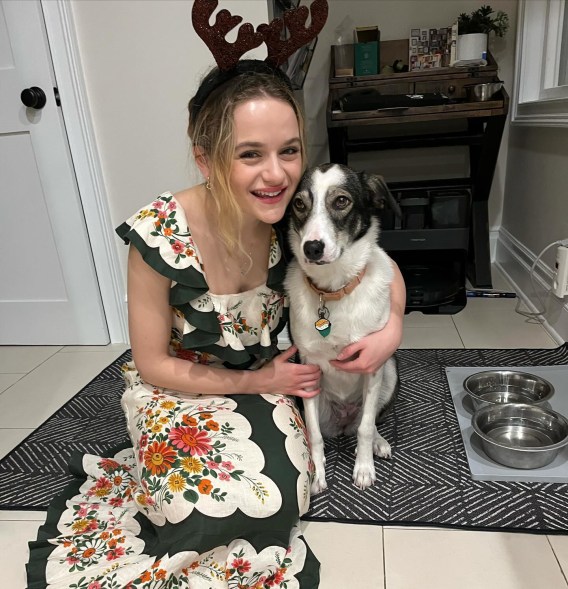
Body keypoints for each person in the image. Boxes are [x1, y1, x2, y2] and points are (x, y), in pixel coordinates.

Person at [26, 58, 405, 589]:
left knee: (277, 500)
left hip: (267, 381)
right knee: (202, 514)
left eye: (289, 150)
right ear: (206, 158)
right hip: (178, 388)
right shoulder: (159, 234)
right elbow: (152, 362)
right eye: (250, 154)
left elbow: (373, 263)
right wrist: (255, 381)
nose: (275, 173)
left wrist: (391, 330)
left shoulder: (291, 219)